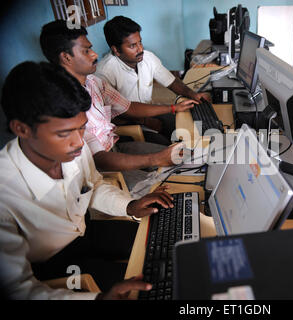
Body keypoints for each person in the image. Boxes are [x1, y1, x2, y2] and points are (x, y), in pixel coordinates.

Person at [0, 61, 175, 299]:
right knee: (152, 285)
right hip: (51, 265)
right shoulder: (5, 192)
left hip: (86, 231)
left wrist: (129, 206)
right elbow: (19, 290)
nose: (79, 142)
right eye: (64, 133)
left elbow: (93, 186)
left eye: (81, 128)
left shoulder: (72, 149)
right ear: (22, 129)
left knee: (166, 243)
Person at [39, 20, 196, 190]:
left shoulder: (93, 82)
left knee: (184, 161)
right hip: (100, 170)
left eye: (91, 48)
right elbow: (98, 159)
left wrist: (173, 108)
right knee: (172, 186)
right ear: (66, 57)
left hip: (116, 146)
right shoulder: (62, 102)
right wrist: (155, 158)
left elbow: (129, 107)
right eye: (86, 51)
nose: (94, 55)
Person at [96, 15, 211, 140]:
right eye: (132, 46)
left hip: (148, 114)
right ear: (116, 50)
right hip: (125, 126)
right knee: (169, 146)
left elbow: (172, 82)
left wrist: (192, 94)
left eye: (140, 42)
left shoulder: (148, 58)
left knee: (188, 126)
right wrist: (147, 121)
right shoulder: (104, 73)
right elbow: (117, 113)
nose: (140, 49)